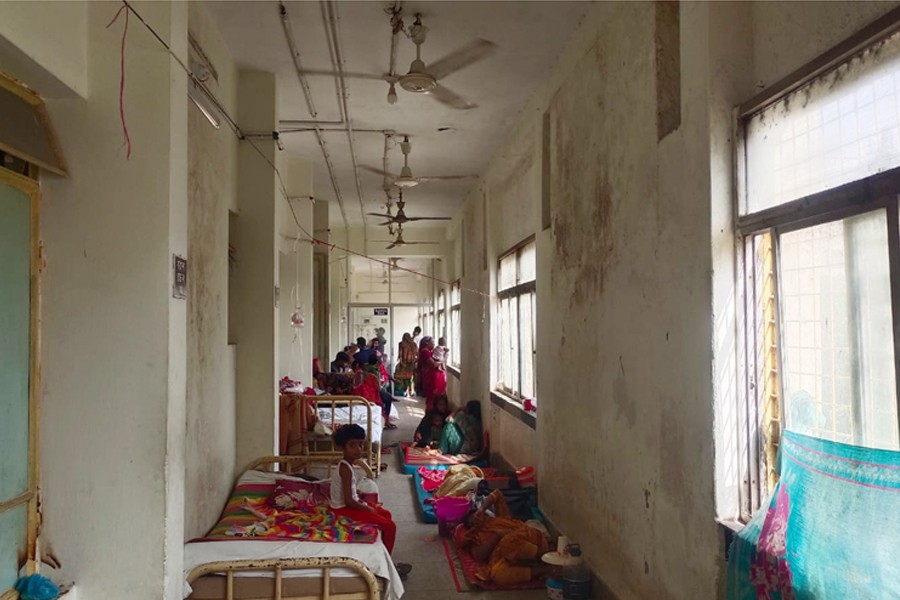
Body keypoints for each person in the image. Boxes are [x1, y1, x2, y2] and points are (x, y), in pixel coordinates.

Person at [330, 425, 411, 578]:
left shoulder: (347, 465)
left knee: (386, 513)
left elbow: (348, 491)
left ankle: (384, 556)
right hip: (342, 510)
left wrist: (357, 493)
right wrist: (366, 509)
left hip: (347, 505)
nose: (358, 449)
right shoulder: (345, 468)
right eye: (352, 445)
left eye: (360, 444)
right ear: (343, 447)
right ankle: (385, 566)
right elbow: (348, 501)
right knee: (390, 526)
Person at [455, 488, 551, 586]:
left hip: (533, 542)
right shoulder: (477, 536)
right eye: (473, 523)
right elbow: (478, 556)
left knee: (508, 542)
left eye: (477, 517)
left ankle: (545, 557)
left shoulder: (500, 518)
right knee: (498, 574)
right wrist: (498, 535)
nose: (477, 521)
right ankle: (545, 569)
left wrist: (482, 508)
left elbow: (497, 494)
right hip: (509, 558)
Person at [418, 336, 447, 411]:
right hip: (431, 378)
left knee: (436, 397)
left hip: (435, 377)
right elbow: (433, 364)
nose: (434, 344)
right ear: (427, 342)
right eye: (433, 342)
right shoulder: (425, 352)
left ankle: (435, 415)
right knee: (432, 398)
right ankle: (430, 416)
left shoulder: (431, 351)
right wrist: (443, 359)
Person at [394, 332, 418, 397]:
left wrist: (402, 363)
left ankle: (407, 391)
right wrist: (414, 361)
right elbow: (401, 355)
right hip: (409, 364)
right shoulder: (412, 344)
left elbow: (400, 355)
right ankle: (408, 392)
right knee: (408, 378)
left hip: (406, 364)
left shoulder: (403, 344)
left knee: (406, 379)